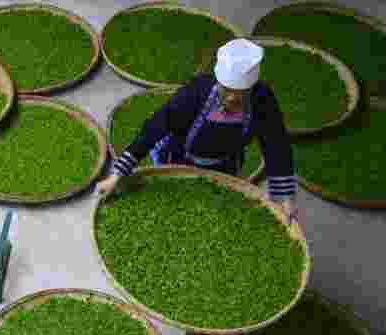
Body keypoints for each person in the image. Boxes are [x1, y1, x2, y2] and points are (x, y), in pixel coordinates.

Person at [95, 39, 299, 224]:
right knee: (171, 210)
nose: (230, 98)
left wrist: (285, 199)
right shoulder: (195, 93)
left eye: (239, 94)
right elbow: (154, 128)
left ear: (252, 88)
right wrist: (117, 174)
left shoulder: (262, 100)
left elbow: (276, 144)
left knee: (210, 215)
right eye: (226, 89)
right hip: (180, 157)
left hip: (225, 165)